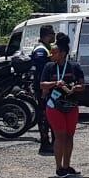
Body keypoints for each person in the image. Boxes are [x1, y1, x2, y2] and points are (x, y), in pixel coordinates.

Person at [39, 32, 84, 177]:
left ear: (63, 53)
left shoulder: (74, 67)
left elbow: (83, 85)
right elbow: (42, 85)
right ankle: (59, 168)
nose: (51, 55)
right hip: (54, 106)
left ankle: (67, 165)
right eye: (51, 52)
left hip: (71, 105)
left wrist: (77, 87)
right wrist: (54, 83)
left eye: (54, 52)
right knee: (60, 136)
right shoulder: (49, 67)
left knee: (69, 136)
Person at [29, 25, 56, 155]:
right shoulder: (41, 50)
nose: (54, 36)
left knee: (49, 115)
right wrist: (44, 89)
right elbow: (41, 72)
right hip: (42, 89)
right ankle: (45, 143)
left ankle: (50, 143)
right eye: (52, 34)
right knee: (45, 117)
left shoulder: (46, 48)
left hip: (46, 87)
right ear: (47, 35)